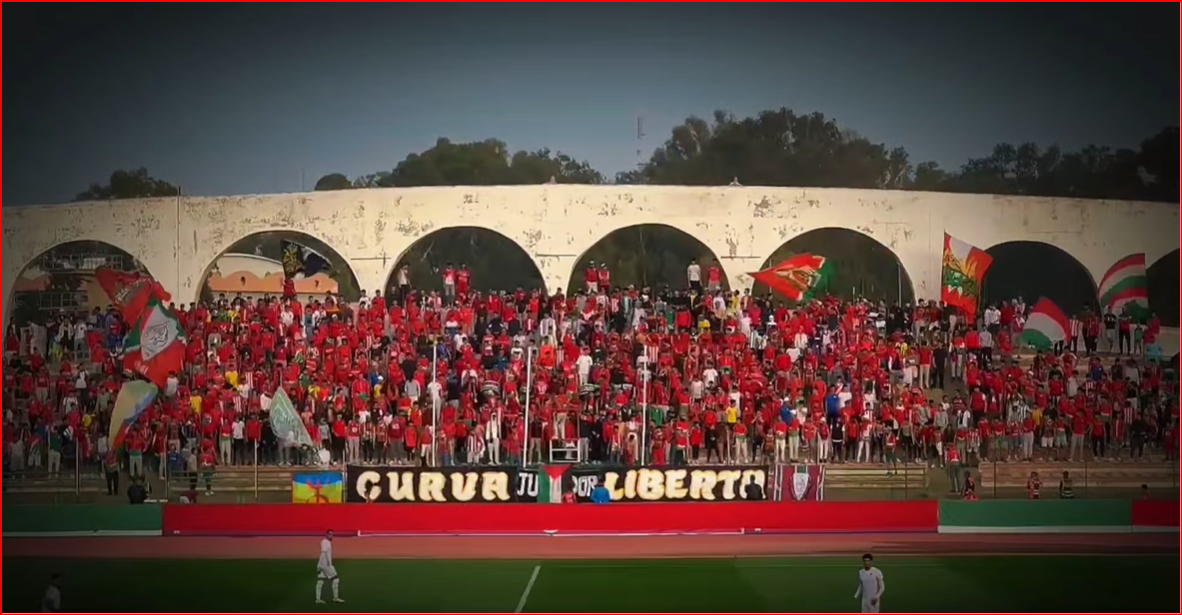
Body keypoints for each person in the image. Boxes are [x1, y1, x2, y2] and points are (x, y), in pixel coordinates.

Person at [315, 530, 344, 604]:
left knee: (320, 581)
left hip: (321, 564)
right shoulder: (326, 542)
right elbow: (324, 551)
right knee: (336, 579)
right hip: (326, 565)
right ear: (327, 534)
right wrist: (329, 563)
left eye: (332, 535)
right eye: (330, 534)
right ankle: (335, 598)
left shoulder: (324, 541)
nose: (331, 536)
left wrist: (319, 565)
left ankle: (318, 599)